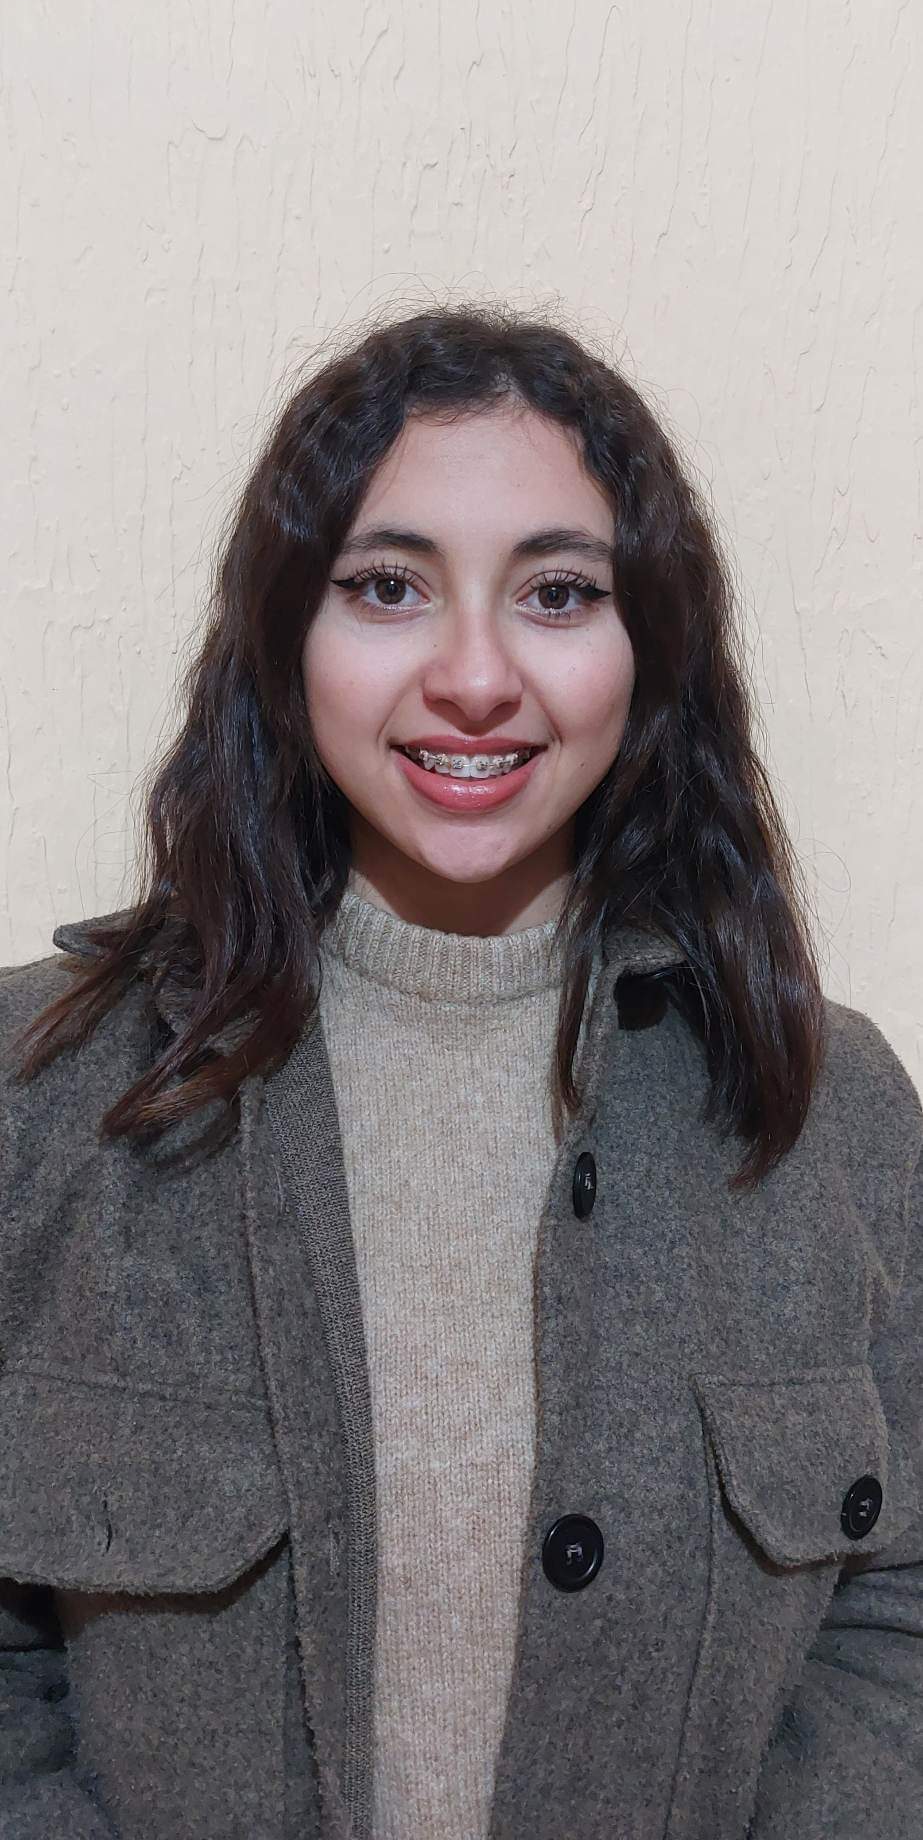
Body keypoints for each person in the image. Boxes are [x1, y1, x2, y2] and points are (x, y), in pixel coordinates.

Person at [0, 302, 920, 1840]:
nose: (475, 676)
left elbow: (900, 1619)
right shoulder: (44, 1100)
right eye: (387, 587)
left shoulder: (833, 1115)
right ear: (286, 637)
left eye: (558, 592)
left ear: (651, 649)